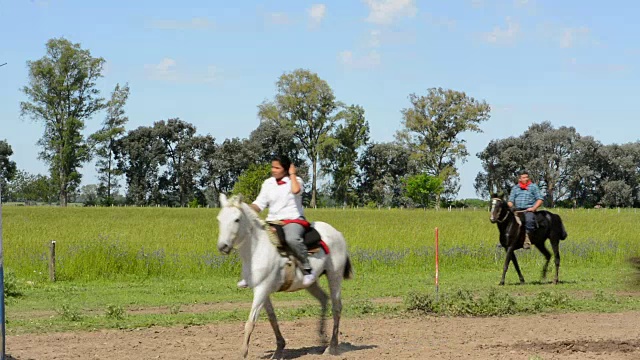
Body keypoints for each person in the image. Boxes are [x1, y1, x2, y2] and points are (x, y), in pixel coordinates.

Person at [237, 155, 316, 288]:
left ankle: (308, 270)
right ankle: (249, 275)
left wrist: (292, 173)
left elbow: (296, 191)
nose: (273, 170)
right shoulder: (268, 183)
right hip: (272, 221)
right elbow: (259, 205)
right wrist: (244, 208)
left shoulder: (296, 180)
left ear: (285, 169)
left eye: (277, 167)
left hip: (293, 220)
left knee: (292, 239)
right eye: (272, 167)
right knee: (251, 240)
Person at [507, 170, 544, 250]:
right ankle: (505, 239)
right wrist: (512, 207)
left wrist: (534, 208)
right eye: (524, 177)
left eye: (527, 177)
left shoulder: (533, 187)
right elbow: (510, 201)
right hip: (517, 210)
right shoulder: (515, 188)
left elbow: (540, 199)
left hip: (528, 210)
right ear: (519, 179)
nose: (526, 179)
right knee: (508, 222)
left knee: (529, 221)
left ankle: (527, 240)